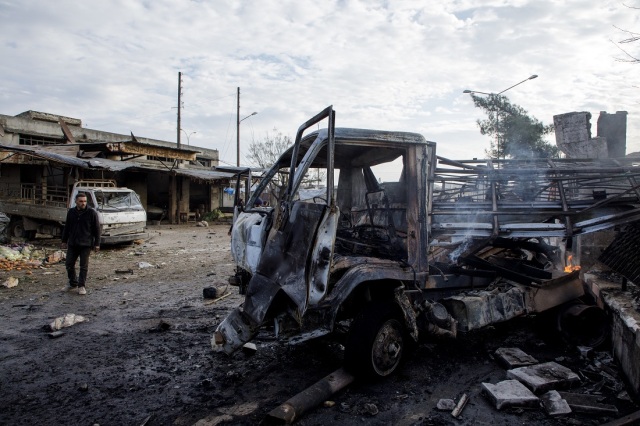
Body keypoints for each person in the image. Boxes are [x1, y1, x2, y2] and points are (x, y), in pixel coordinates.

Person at [61, 192, 101, 295]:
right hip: (73, 243)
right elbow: (67, 227)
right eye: (81, 201)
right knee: (69, 264)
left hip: (86, 244)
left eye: (85, 201)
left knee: (83, 266)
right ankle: (72, 283)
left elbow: (97, 229)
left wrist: (97, 244)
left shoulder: (91, 213)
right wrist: (64, 241)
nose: (83, 203)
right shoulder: (71, 212)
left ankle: (81, 285)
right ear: (76, 201)